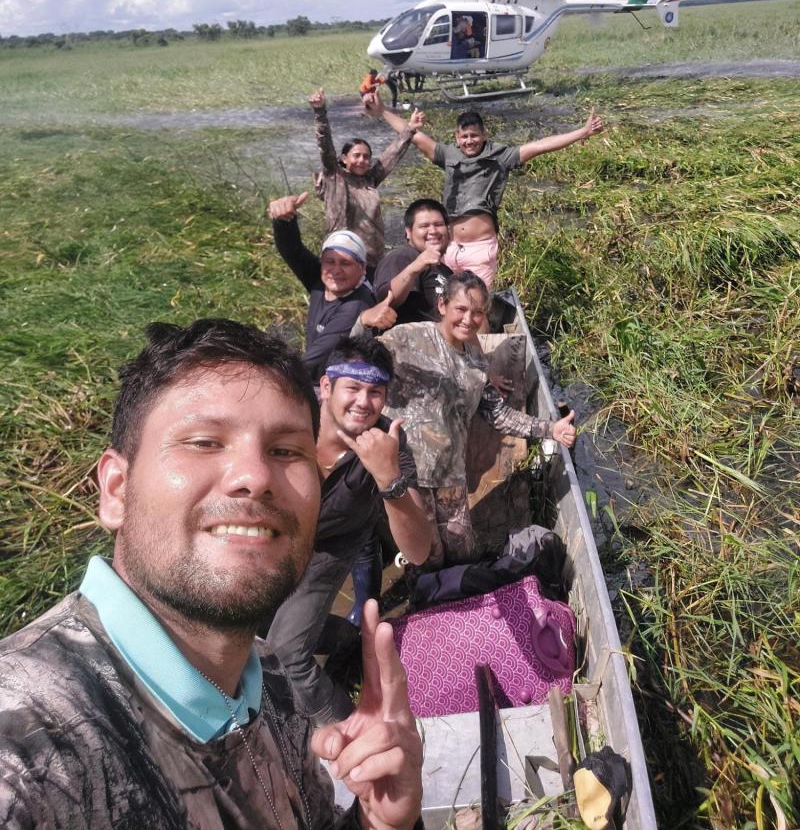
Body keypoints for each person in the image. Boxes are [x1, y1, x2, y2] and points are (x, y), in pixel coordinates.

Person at [0, 318, 423, 830]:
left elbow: (419, 549)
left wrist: (380, 825)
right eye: (203, 441)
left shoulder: (267, 684)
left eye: (285, 451)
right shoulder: (26, 749)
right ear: (115, 489)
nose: (255, 477)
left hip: (323, 555)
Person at [266, 336, 431, 726]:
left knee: (286, 656)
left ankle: (353, 732)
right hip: (274, 535)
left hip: (331, 545)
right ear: (325, 388)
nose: (363, 402)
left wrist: (388, 477)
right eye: (353, 388)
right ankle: (346, 640)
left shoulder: (388, 440)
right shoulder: (286, 415)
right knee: (241, 619)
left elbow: (421, 549)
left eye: (375, 392)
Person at [379, 272, 577, 567]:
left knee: (463, 557)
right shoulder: (407, 337)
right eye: (460, 309)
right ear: (442, 305)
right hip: (410, 476)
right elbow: (359, 360)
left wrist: (550, 429)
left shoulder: (475, 357)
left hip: (451, 479)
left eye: (477, 312)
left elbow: (498, 414)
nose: (468, 319)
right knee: (424, 561)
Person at [367, 97, 605, 287]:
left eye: (474, 136)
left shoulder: (500, 155)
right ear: (457, 138)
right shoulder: (448, 154)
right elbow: (415, 137)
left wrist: (582, 132)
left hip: (479, 249)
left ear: (484, 134)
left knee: (476, 306)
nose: (469, 141)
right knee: (442, 306)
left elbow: (539, 146)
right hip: (446, 248)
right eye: (464, 137)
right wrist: (382, 111)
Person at [269, 192, 397, 380]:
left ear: (362, 268)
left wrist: (280, 378)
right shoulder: (321, 279)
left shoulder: (357, 304)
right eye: (330, 261)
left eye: (345, 263)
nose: (336, 270)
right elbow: (292, 250)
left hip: (337, 383)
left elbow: (316, 356)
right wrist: (283, 220)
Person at [310, 88, 424, 273]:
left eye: (366, 157)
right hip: (342, 256)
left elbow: (392, 154)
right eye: (357, 156)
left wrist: (410, 129)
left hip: (372, 259)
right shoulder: (335, 176)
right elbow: (325, 144)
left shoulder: (370, 179)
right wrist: (320, 111)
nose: (362, 161)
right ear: (344, 158)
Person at [372, 198, 452, 325]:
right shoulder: (402, 257)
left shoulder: (446, 270)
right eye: (424, 226)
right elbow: (386, 301)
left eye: (438, 225)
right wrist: (414, 268)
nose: (433, 231)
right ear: (408, 232)